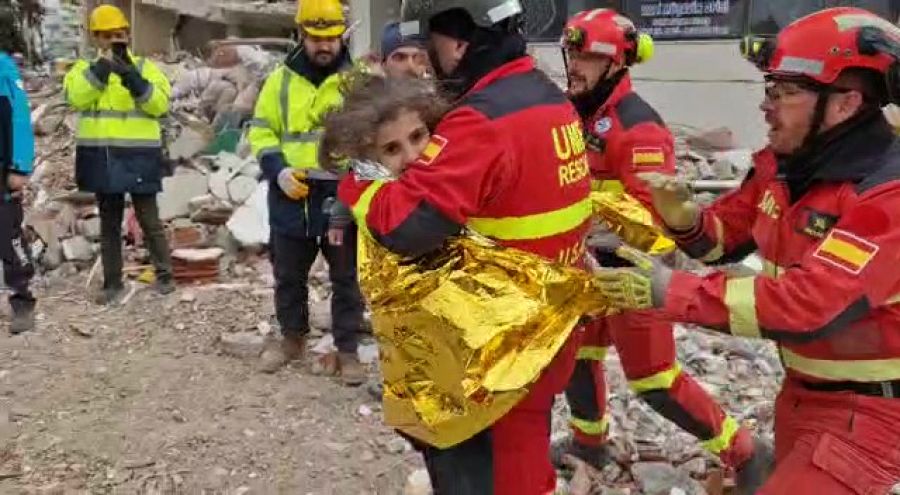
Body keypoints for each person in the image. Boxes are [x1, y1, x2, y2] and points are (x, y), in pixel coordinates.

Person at [597, 7, 900, 493]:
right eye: (769, 90)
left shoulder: (886, 196)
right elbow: (725, 240)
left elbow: (810, 305)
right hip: (800, 394)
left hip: (866, 415)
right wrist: (688, 219)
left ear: (845, 104)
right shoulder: (785, 168)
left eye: (786, 92)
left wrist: (670, 291)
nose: (767, 106)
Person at [338, 1, 593, 493]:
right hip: (548, 327)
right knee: (524, 464)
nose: (429, 65)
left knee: (495, 476)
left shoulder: (482, 119)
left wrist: (359, 186)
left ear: (457, 41)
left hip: (499, 353)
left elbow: (407, 226)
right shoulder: (548, 98)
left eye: (431, 49)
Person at [556, 9, 771, 491]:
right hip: (590, 265)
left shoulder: (639, 129)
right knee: (579, 357)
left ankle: (747, 453)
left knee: (655, 380)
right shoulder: (581, 111)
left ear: (616, 65)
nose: (575, 64)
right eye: (572, 52)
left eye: (588, 56)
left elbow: (646, 217)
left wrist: (582, 216)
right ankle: (587, 442)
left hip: (635, 269)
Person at [249, 0, 366, 383]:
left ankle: (347, 350)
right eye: (316, 37)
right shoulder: (279, 82)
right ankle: (292, 338)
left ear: (341, 35)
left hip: (341, 197)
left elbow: (371, 137)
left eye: (331, 36)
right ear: (301, 35)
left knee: (346, 276)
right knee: (288, 274)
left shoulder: (357, 82)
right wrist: (277, 170)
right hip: (291, 193)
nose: (324, 45)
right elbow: (262, 130)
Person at [64, 5, 175, 305]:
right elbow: (76, 97)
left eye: (120, 34)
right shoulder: (82, 70)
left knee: (149, 220)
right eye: (109, 36)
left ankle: (165, 276)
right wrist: (103, 69)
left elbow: (159, 105)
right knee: (109, 223)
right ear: (96, 39)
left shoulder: (146, 69)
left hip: (139, 155)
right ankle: (113, 283)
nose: (116, 40)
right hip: (104, 157)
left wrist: (132, 77)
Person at [0, 50, 35, 334]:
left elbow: (19, 117)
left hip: (3, 170)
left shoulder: (3, 67)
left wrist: (20, 165)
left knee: (8, 236)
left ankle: (22, 301)